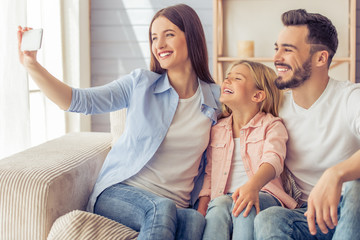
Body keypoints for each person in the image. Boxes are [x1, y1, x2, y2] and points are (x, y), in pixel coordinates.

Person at [18, 4, 221, 240]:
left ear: (192, 36)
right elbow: (80, 101)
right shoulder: (140, 84)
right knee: (161, 208)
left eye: (169, 34)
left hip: (177, 205)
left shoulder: (216, 99)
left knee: (194, 220)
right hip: (121, 193)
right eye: (154, 37)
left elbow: (228, 150)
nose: (159, 45)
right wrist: (32, 65)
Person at [254, 9, 360, 240]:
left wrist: (337, 174)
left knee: (357, 188)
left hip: (353, 210)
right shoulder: (276, 109)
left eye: (288, 49)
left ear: (321, 58)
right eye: (277, 48)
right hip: (308, 216)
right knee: (270, 217)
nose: (277, 58)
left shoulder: (350, 98)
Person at [197, 60, 298, 240]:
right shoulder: (217, 129)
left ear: (258, 96)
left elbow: (273, 160)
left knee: (245, 205)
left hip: (265, 194)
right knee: (218, 207)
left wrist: (253, 186)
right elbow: (209, 172)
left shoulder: (271, 125)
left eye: (237, 78)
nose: (227, 81)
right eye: (227, 78)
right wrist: (203, 204)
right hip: (223, 197)